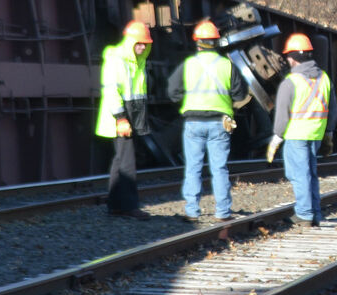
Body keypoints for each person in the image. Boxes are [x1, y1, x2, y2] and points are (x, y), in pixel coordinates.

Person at [167, 18, 250, 221]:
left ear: (197, 42)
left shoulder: (188, 65)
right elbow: (241, 95)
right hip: (220, 123)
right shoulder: (227, 66)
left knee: (193, 167)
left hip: (193, 122)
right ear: (216, 42)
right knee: (219, 168)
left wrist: (186, 101)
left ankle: (192, 212)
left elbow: (172, 91)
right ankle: (223, 212)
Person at [265, 32, 330, 225]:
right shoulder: (324, 78)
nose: (287, 59)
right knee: (310, 174)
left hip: (296, 135)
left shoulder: (290, 82)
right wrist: (329, 134)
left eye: (288, 56)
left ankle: (304, 214)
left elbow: (282, 114)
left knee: (299, 174)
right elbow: (332, 108)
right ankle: (315, 213)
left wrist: (276, 138)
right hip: (316, 134)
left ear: (293, 58)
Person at [96, 18, 153, 217]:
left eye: (145, 43)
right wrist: (121, 118)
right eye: (138, 43)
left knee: (120, 161)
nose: (142, 46)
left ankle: (116, 205)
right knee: (127, 163)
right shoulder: (117, 60)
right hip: (119, 118)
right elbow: (112, 91)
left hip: (129, 116)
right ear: (130, 42)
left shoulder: (137, 62)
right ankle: (128, 206)